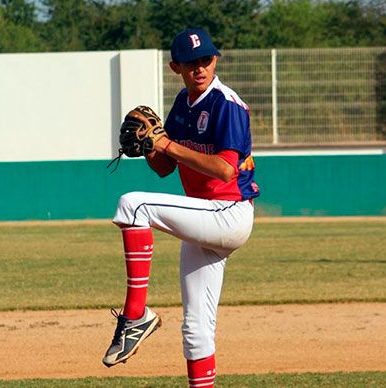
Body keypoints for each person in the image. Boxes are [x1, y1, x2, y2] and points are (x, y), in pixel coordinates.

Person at [102, 28, 260, 388]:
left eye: (206, 59)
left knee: (132, 205)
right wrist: (147, 148)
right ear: (176, 67)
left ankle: (136, 316)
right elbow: (164, 168)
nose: (200, 68)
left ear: (215, 59)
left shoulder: (226, 104)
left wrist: (168, 145)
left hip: (228, 212)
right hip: (202, 217)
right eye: (191, 63)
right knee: (196, 329)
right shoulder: (182, 105)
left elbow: (224, 168)